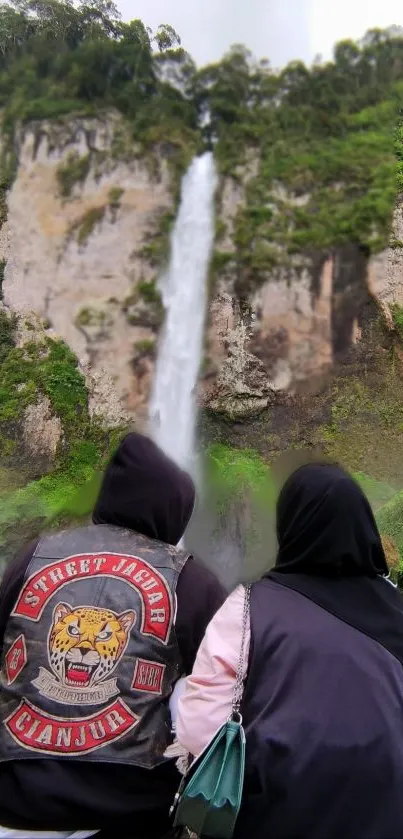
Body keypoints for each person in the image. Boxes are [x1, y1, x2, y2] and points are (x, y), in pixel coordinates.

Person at [0, 432, 225, 839]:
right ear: (174, 511)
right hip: (129, 807)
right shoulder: (191, 578)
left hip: (15, 797)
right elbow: (225, 688)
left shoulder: (33, 555)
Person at [177, 462, 403, 839]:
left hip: (277, 813)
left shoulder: (249, 606)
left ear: (290, 525)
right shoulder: (398, 612)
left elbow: (199, 727)